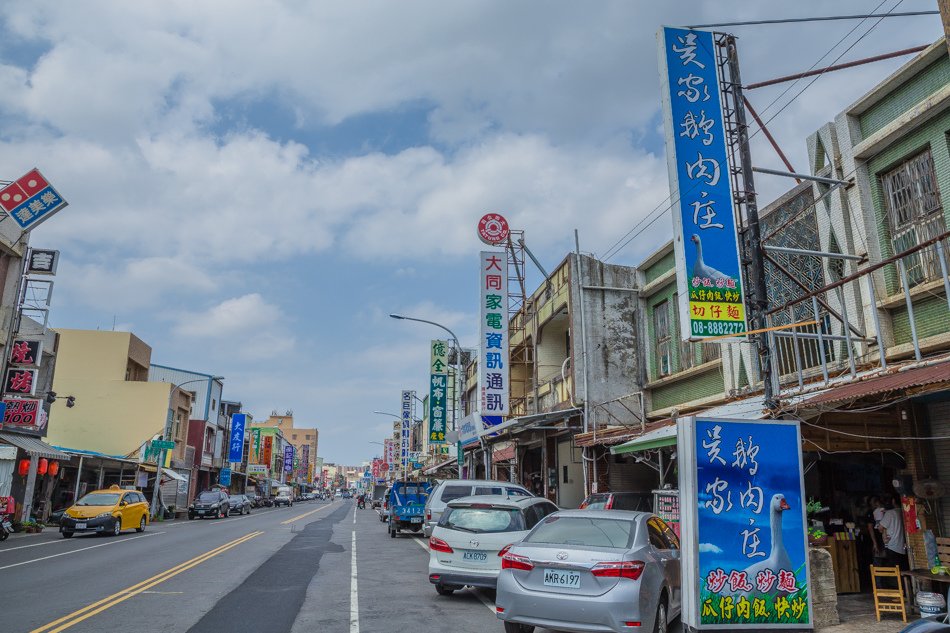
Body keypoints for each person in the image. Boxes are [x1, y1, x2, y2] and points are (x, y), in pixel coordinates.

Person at [877, 495, 908, 570]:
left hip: (893, 547)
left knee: (895, 572)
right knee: (904, 570)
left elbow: (880, 528)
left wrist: (884, 531)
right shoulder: (903, 512)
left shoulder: (890, 513)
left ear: (893, 501)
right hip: (903, 548)